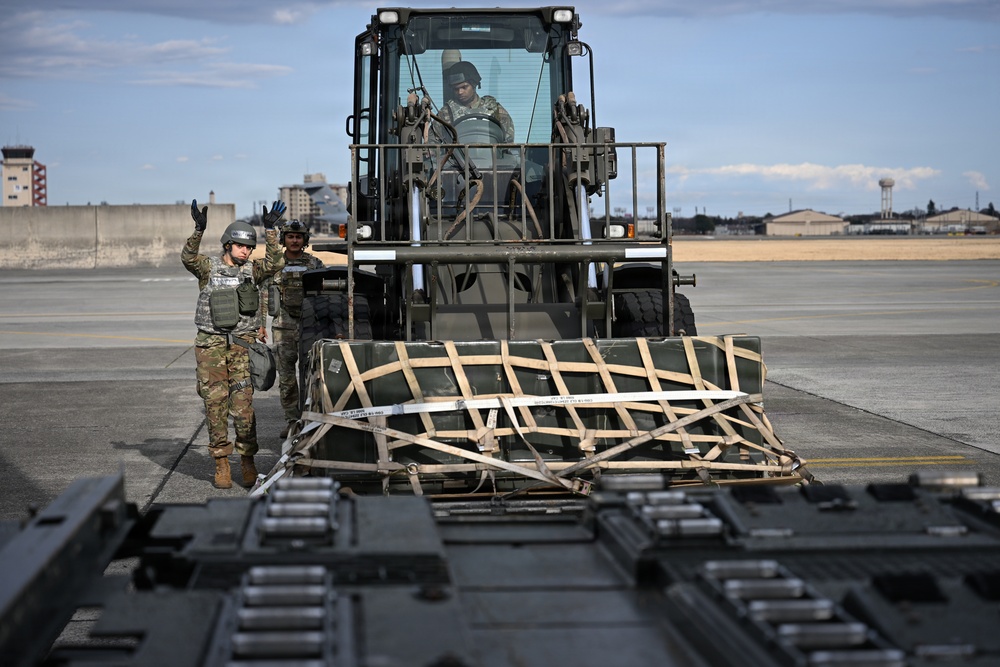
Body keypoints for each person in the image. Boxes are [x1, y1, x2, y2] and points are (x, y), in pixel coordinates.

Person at [182, 199, 285, 489]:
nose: (246, 251)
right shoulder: (207, 268)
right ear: (228, 245)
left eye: (250, 247)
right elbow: (187, 258)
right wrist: (198, 230)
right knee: (215, 408)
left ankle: (248, 461)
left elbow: (277, 262)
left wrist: (271, 231)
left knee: (243, 409)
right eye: (241, 246)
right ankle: (221, 464)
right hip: (211, 347)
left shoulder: (253, 271)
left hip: (242, 348)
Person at [260, 219, 325, 438]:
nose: (294, 240)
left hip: (309, 327)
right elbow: (264, 294)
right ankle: (292, 421)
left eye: (298, 237)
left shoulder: (315, 265)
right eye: (290, 236)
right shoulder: (274, 264)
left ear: (304, 239)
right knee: (287, 378)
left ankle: (310, 419)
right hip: (282, 327)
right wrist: (261, 326)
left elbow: (325, 297)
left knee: (311, 375)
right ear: (283, 239)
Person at [438, 61, 515, 143]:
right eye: (456, 89)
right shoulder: (446, 113)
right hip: (456, 156)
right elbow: (432, 145)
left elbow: (509, 143)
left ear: (474, 84)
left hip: (492, 155)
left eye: (464, 87)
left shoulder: (494, 110)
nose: (460, 92)